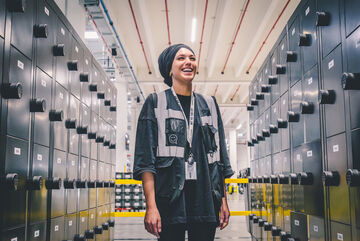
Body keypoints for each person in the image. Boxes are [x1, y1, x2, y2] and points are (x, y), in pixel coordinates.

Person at [133, 43, 234, 241]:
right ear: (169, 69)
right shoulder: (155, 103)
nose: (188, 62)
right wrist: (151, 207)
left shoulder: (209, 104)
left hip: (205, 198)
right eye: (181, 58)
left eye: (192, 58)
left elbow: (219, 159)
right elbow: (146, 161)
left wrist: (223, 200)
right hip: (170, 200)